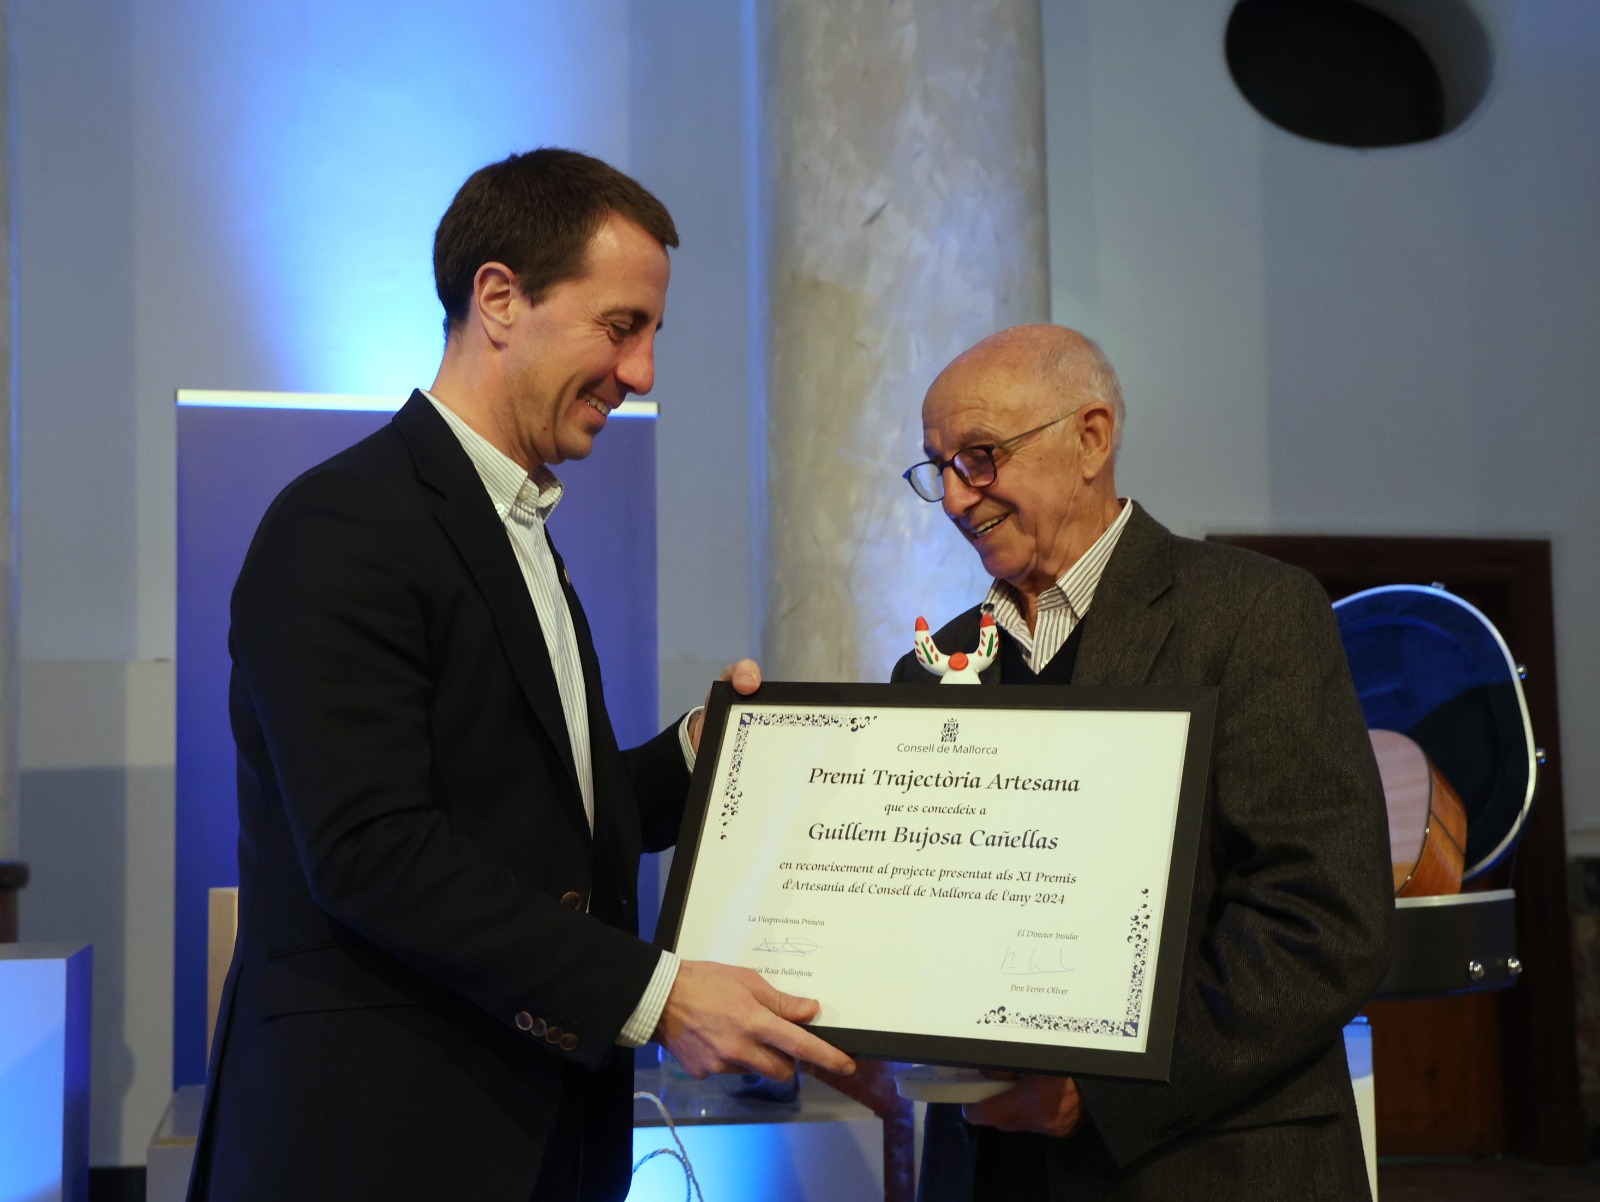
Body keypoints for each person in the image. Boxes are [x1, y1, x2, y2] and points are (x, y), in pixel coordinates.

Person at [188, 148, 853, 1202]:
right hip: (380, 1144)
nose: (641, 373)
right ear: (499, 298)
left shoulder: (521, 529)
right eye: (621, 326)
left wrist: (700, 752)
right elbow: (372, 851)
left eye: (652, 335)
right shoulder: (342, 522)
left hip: (535, 1135)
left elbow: (539, 823)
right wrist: (659, 994)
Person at [892, 325, 1391, 1200]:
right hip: (992, 1166)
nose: (958, 498)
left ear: (1091, 438)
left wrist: (1103, 1087)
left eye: (980, 456)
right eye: (939, 469)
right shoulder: (930, 668)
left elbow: (1322, 920)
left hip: (1208, 1163)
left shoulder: (1253, 613)